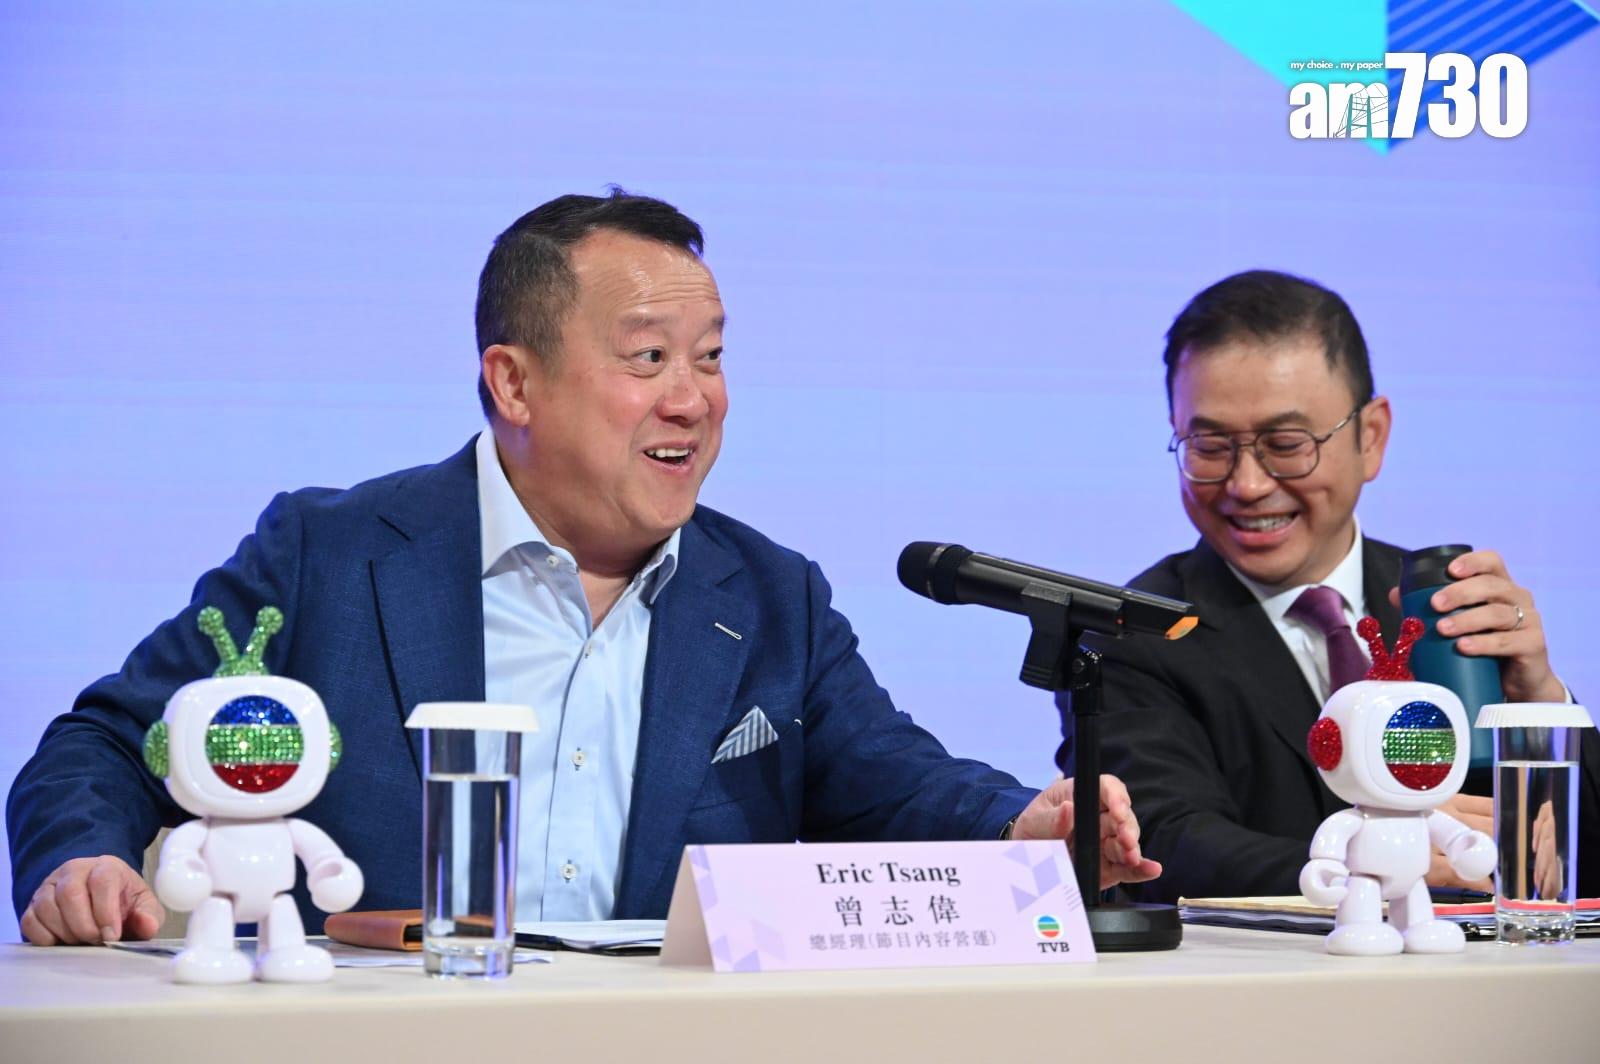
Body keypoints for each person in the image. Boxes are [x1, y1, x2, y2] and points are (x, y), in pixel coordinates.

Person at [10, 190, 1159, 946]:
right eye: (647, 357)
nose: (693, 399)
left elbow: (893, 779)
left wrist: (1020, 822)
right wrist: (83, 857)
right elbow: (108, 738)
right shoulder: (330, 554)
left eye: (711, 358)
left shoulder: (771, 594)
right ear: (513, 383)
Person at [1055, 269, 1599, 903]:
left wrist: (1543, 702)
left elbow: (1567, 860)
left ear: (1371, 437)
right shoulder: (1132, 633)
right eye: (1209, 445)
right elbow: (1161, 845)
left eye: (1287, 444)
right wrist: (1375, 863)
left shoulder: (1445, 610)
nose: (1248, 484)